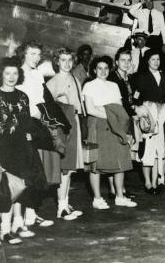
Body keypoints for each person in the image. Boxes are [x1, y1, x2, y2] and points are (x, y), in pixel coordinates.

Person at [0, 57, 47, 245]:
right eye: (7, 73)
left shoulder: (22, 96)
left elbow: (27, 123)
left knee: (13, 190)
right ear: (1, 75)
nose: (11, 77)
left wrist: (31, 134)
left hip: (20, 150)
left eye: (15, 73)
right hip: (0, 150)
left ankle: (6, 231)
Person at [82, 56, 136, 209]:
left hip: (115, 125)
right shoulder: (89, 85)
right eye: (100, 68)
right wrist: (112, 115)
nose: (103, 71)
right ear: (94, 70)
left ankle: (120, 196)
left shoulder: (114, 85)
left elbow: (119, 108)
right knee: (96, 163)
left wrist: (116, 119)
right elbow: (91, 109)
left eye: (106, 68)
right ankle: (97, 199)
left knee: (121, 159)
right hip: (97, 125)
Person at [15, 41, 56, 228]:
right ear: (23, 54)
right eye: (32, 54)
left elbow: (40, 102)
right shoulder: (17, 74)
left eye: (38, 54)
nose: (36, 58)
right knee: (24, 171)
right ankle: (18, 218)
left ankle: (31, 214)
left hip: (36, 124)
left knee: (36, 171)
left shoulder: (38, 74)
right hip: (23, 124)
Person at [46, 48, 85, 220]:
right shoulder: (52, 82)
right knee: (63, 168)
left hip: (74, 123)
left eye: (70, 60)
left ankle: (65, 203)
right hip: (62, 127)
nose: (67, 63)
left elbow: (79, 106)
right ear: (57, 61)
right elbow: (47, 109)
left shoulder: (75, 79)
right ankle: (61, 208)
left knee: (69, 169)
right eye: (63, 60)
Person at [131, 49, 165, 194]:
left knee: (159, 150)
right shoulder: (140, 76)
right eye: (153, 59)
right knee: (148, 150)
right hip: (147, 116)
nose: (156, 62)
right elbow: (136, 96)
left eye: (158, 59)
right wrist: (141, 110)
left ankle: (156, 182)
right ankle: (148, 183)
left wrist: (162, 108)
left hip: (161, 116)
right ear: (147, 60)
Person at [107, 48, 137, 199]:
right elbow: (120, 103)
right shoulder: (113, 78)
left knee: (123, 153)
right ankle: (114, 189)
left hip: (126, 118)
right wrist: (134, 111)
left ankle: (120, 188)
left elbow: (131, 98)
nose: (126, 63)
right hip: (117, 118)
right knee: (117, 153)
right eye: (123, 60)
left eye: (128, 60)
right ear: (116, 62)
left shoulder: (128, 78)